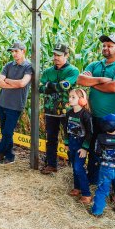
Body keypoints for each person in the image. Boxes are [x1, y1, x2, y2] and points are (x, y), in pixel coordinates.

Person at [76, 34, 115, 184]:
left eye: (110, 46)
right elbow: (80, 79)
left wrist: (91, 82)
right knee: (94, 150)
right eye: (104, 45)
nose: (105, 48)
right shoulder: (95, 65)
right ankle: (95, 182)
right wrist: (101, 80)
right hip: (94, 116)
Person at [39, 43, 80, 174]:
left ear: (66, 55)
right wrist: (55, 86)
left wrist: (49, 85)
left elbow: (65, 86)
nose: (55, 57)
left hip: (69, 112)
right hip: (50, 111)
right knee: (51, 139)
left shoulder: (73, 71)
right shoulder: (47, 71)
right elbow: (40, 88)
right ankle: (51, 164)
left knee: (71, 139)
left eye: (59, 55)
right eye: (54, 55)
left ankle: (73, 167)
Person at [0, 41, 34, 165]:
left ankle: (0, 150)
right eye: (12, 51)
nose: (14, 54)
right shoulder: (8, 65)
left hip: (15, 105)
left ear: (23, 51)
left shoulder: (28, 67)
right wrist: (13, 84)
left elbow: (23, 84)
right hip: (3, 102)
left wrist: (6, 81)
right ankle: (10, 155)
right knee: (4, 131)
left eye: (16, 51)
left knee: (7, 131)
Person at [65, 88, 94, 203]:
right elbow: (66, 129)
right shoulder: (69, 113)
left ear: (82, 100)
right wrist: (67, 142)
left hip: (81, 144)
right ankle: (77, 187)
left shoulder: (86, 115)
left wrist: (85, 148)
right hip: (72, 142)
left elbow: (90, 133)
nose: (70, 99)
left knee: (78, 167)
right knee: (74, 166)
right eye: (70, 96)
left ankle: (86, 193)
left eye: (73, 97)